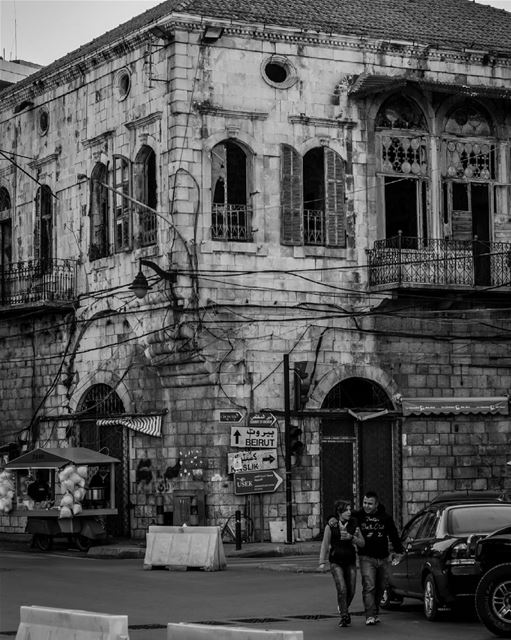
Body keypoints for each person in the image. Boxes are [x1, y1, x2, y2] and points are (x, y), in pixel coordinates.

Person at [354, 491, 403, 626]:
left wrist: (399, 551)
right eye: (364, 503)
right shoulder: (358, 516)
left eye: (370, 504)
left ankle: (375, 612)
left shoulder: (386, 518)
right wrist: (331, 518)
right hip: (366, 557)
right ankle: (369, 615)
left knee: (381, 586)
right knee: (369, 586)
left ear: (376, 504)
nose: (366, 506)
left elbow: (394, 535)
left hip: (383, 558)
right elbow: (342, 515)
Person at [319, 498, 365, 627]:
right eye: (346, 510)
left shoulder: (354, 524)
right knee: (342, 589)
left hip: (350, 561)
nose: (349, 512)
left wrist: (352, 538)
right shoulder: (332, 525)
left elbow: (362, 543)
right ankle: (344, 615)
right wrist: (322, 562)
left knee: (351, 590)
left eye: (350, 509)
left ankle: (343, 606)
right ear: (339, 512)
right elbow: (325, 543)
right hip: (336, 561)